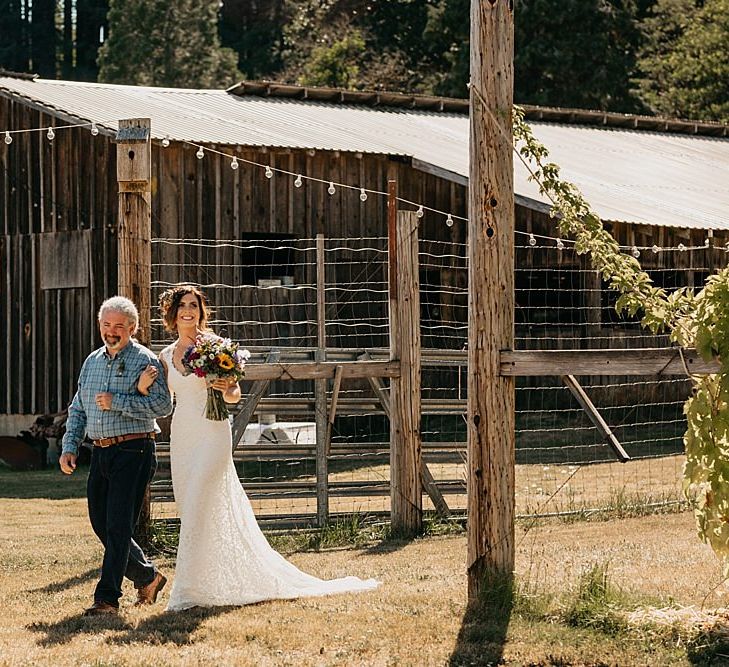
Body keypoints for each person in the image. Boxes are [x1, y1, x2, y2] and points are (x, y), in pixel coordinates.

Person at [141, 285, 379, 611]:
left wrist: (224, 386)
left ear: (200, 310)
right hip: (183, 436)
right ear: (173, 313)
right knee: (192, 508)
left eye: (193, 305)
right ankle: (208, 584)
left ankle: (185, 593)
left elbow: (234, 396)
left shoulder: (215, 346)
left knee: (198, 500)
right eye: (182, 305)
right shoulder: (165, 357)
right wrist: (143, 387)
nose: (188, 311)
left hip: (213, 433)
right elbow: (164, 403)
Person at [59, 296, 173, 616]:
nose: (112, 331)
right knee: (101, 524)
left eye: (119, 326)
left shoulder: (145, 361)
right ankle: (148, 577)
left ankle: (107, 598)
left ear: (132, 328)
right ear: (99, 325)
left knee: (119, 527)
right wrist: (70, 446)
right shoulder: (92, 361)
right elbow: (79, 408)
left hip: (134, 449)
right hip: (100, 451)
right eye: (106, 325)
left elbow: (163, 407)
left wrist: (119, 400)